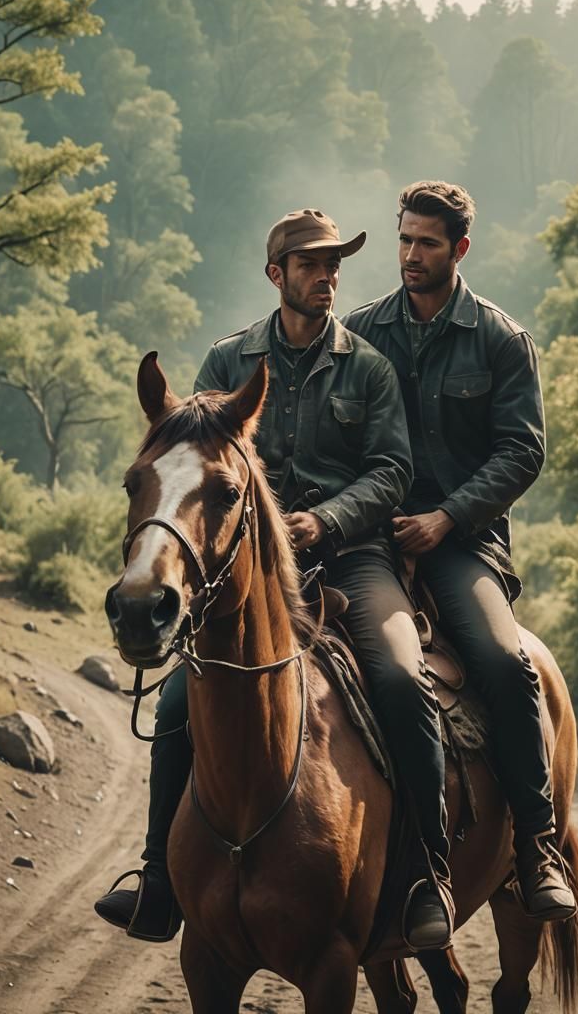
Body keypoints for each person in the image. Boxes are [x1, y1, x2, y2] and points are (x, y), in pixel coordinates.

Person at [95, 208, 454, 950]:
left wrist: (326, 521)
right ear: (276, 275)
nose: (327, 278)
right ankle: (159, 884)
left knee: (400, 676)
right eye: (311, 266)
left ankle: (425, 875)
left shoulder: (369, 367)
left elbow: (393, 471)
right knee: (172, 706)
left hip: (351, 555)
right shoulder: (228, 364)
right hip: (244, 565)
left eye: (334, 266)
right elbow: (190, 464)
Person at [342, 181, 577, 921]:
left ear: (460, 250)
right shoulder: (357, 332)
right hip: (362, 543)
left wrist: (445, 518)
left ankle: (537, 845)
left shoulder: (499, 339)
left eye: (428, 244)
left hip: (462, 544)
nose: (411, 255)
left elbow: (522, 452)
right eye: (405, 240)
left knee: (507, 665)